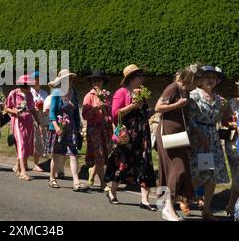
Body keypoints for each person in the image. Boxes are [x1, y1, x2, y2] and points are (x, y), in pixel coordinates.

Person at [104, 65, 157, 210]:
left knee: (145, 163)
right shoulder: (121, 92)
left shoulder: (142, 92)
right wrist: (133, 106)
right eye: (140, 76)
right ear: (132, 78)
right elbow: (115, 114)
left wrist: (152, 111)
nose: (142, 78)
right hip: (127, 135)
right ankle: (112, 191)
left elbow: (144, 112)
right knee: (124, 163)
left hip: (142, 133)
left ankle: (144, 200)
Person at [155, 64, 202, 221]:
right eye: (197, 81)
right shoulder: (172, 88)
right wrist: (177, 104)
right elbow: (158, 107)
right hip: (168, 134)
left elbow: (185, 115)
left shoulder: (184, 92)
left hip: (179, 136)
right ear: (191, 79)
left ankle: (166, 206)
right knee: (178, 169)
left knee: (174, 170)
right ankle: (167, 208)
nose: (197, 85)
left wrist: (196, 135)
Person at [188, 66, 232, 221]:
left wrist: (230, 119)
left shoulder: (220, 99)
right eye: (207, 76)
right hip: (198, 138)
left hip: (213, 138)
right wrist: (199, 136)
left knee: (212, 176)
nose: (211, 79)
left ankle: (206, 210)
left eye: (214, 77)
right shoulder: (193, 96)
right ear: (199, 79)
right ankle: (182, 197)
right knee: (197, 173)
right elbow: (190, 118)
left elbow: (223, 120)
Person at [47, 69, 89, 192]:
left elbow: (76, 112)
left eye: (70, 79)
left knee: (73, 154)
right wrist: (57, 128)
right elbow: (52, 112)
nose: (69, 81)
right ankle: (52, 178)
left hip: (71, 129)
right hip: (58, 127)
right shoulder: (56, 93)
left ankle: (76, 182)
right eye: (67, 79)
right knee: (57, 155)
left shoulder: (73, 92)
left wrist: (78, 126)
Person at [5, 75, 43, 181]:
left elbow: (33, 110)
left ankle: (17, 166)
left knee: (26, 146)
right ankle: (23, 172)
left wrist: (39, 123)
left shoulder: (30, 94)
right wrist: (14, 111)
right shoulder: (13, 93)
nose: (28, 88)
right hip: (18, 122)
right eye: (26, 86)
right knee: (21, 145)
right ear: (21, 85)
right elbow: (6, 107)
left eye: (29, 86)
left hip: (28, 123)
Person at [82, 71, 113, 192]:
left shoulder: (107, 95)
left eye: (99, 80)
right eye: (94, 81)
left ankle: (92, 173)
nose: (96, 83)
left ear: (103, 81)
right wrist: (96, 108)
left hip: (105, 128)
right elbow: (85, 115)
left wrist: (106, 108)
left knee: (103, 154)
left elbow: (111, 112)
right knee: (99, 154)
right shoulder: (88, 96)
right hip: (94, 128)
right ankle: (103, 183)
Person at [30, 71, 49, 172]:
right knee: (31, 142)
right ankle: (21, 163)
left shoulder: (44, 93)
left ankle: (35, 164)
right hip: (31, 120)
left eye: (39, 79)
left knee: (39, 142)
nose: (37, 81)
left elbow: (47, 105)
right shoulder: (29, 92)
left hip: (42, 120)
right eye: (35, 79)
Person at [227, 81, 239, 220]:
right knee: (237, 177)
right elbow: (226, 121)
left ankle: (231, 206)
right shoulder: (233, 102)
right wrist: (234, 124)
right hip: (234, 145)